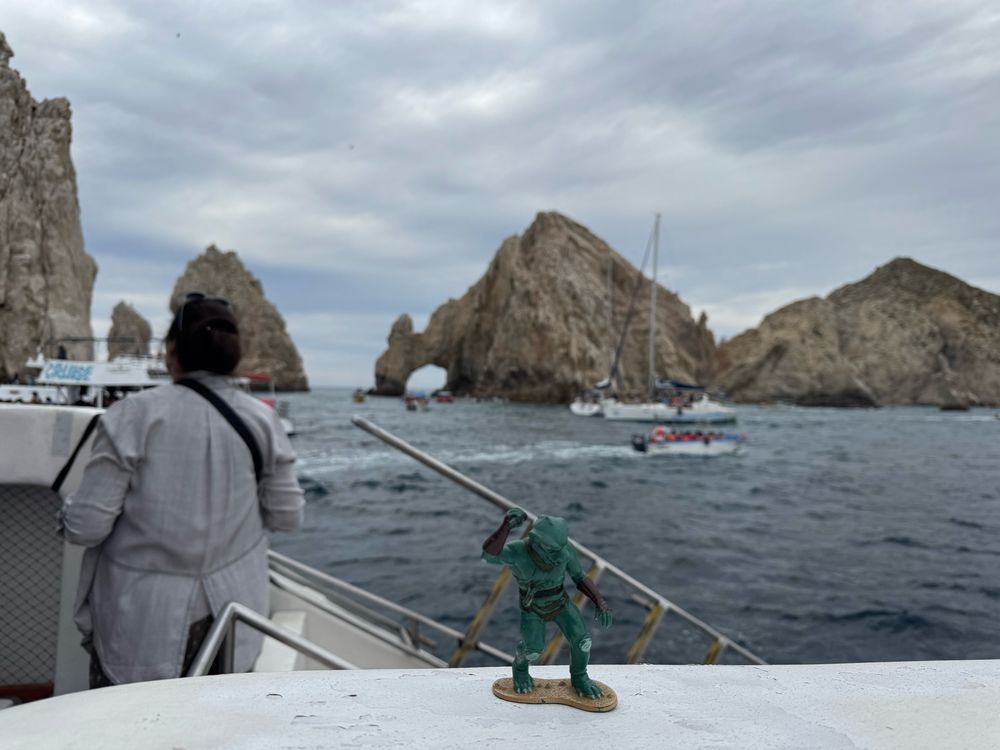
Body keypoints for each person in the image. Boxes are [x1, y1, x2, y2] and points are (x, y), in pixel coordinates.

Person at [60, 294, 305, 687]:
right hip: (234, 620)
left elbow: (85, 527)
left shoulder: (133, 415)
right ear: (233, 356)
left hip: (142, 626)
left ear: (171, 350)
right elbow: (288, 517)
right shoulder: (264, 420)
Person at [482, 508, 613, 699]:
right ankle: (520, 669)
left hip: (560, 602)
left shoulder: (564, 550)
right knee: (533, 651)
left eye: (560, 547)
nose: (558, 553)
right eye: (552, 548)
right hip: (532, 608)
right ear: (535, 540)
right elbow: (489, 556)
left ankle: (579, 677)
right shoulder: (518, 551)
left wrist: (599, 600)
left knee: (583, 641)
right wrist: (505, 528)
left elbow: (579, 576)